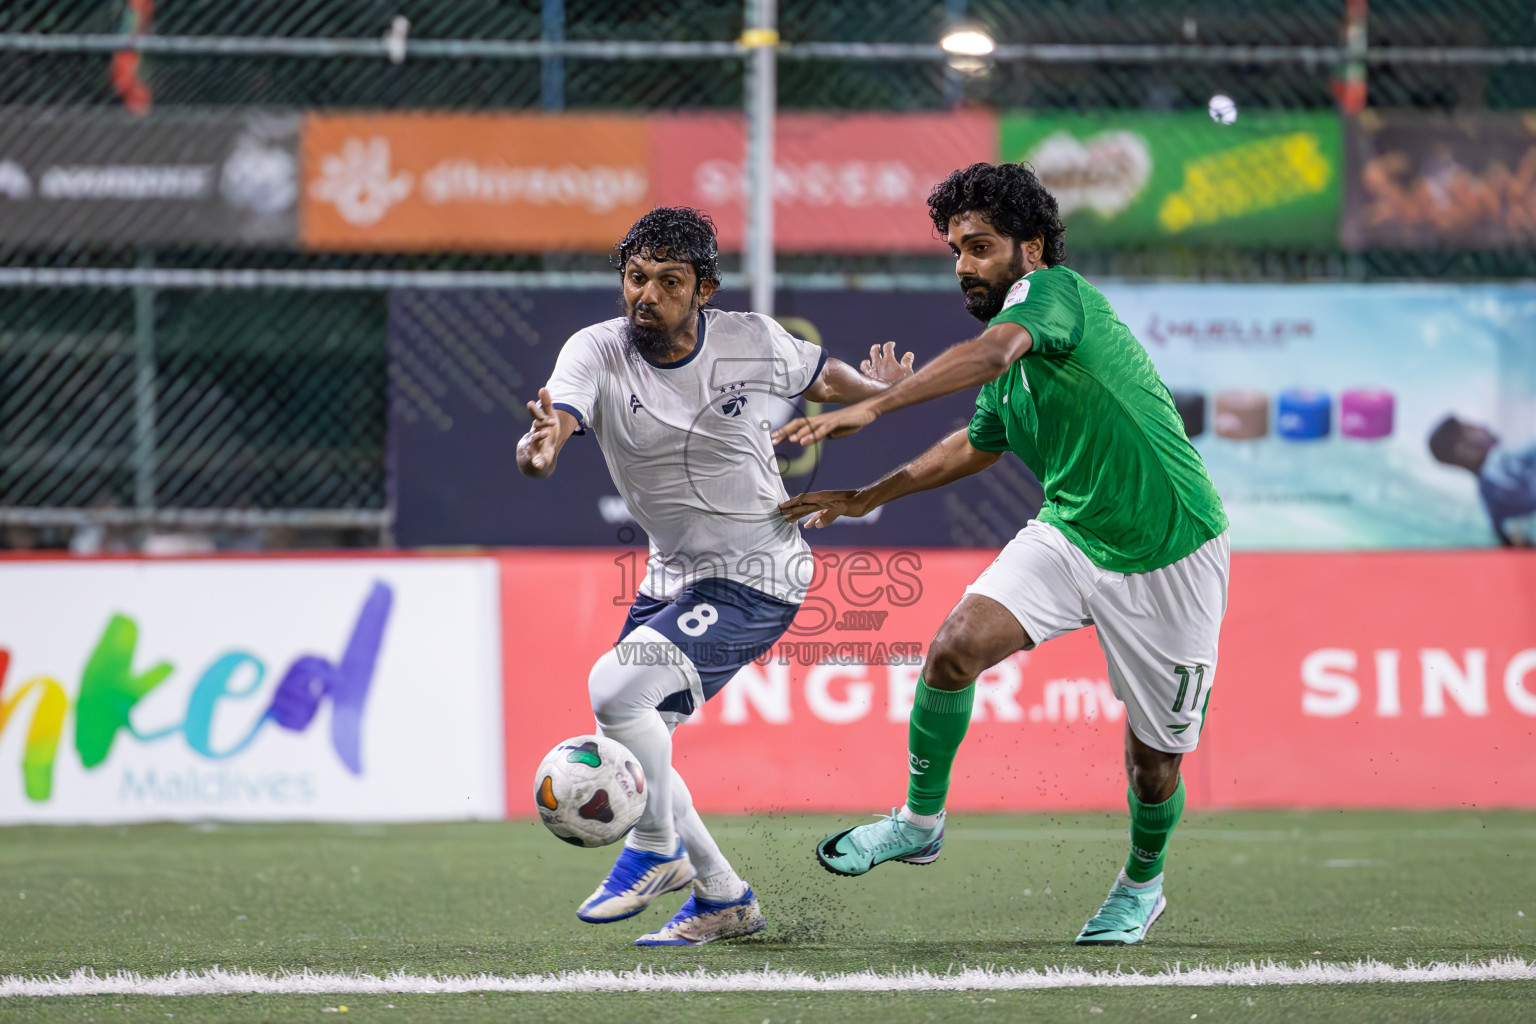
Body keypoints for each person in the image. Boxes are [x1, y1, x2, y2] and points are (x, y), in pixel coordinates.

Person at [774, 163, 1230, 946]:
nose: (964, 266)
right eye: (955, 250)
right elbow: (974, 444)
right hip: (1072, 533)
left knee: (1153, 764)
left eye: (980, 247)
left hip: (1171, 550)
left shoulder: (1054, 298)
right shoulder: (1017, 360)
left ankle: (1140, 886)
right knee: (954, 649)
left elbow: (988, 357)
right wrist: (864, 498)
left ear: (1033, 247)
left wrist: (874, 406)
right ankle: (919, 822)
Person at [517, 206, 915, 946]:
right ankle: (724, 898)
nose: (647, 295)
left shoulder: (748, 340)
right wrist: (540, 449)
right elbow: (557, 424)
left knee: (612, 688)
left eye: (669, 282)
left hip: (759, 571)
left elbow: (822, 377)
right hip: (674, 577)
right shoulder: (596, 352)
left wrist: (878, 391)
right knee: (642, 741)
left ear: (704, 290)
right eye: (636, 278)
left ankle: (654, 846)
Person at [1428, 415, 1536, 545]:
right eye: (1473, 428)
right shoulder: (1499, 460)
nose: (1483, 425)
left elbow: (1500, 532)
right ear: (1464, 450)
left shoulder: (1487, 498)